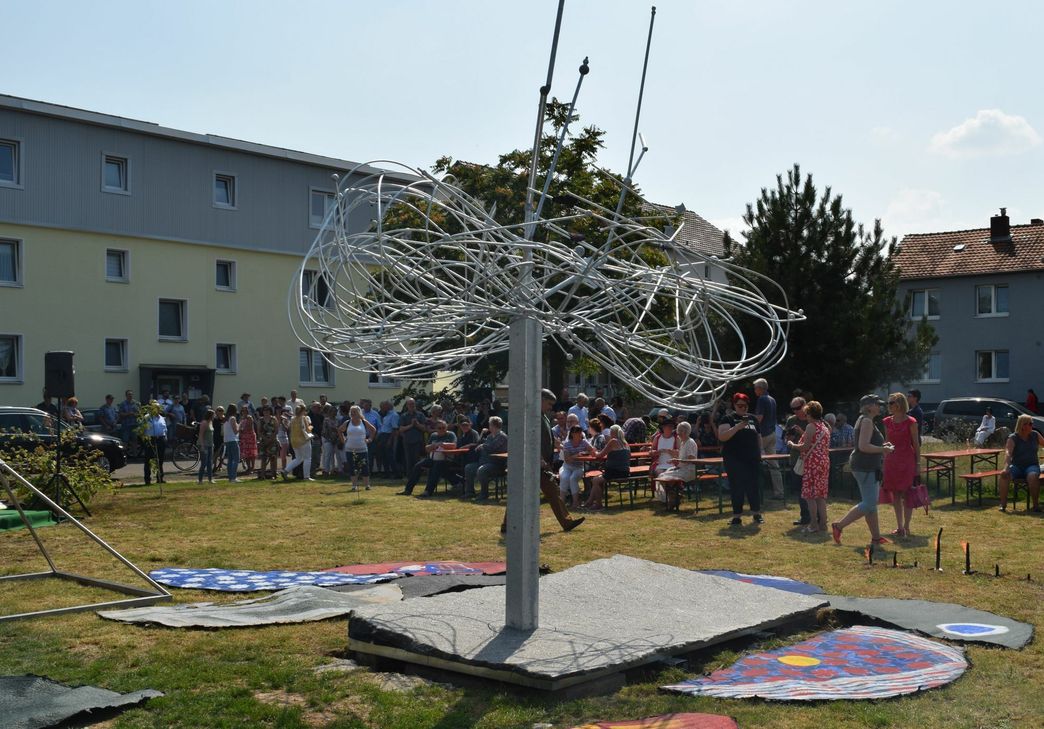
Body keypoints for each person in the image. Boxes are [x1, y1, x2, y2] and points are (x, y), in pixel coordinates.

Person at [500, 389, 584, 534]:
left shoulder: (542, 416)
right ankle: (507, 525)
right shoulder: (531, 416)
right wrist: (539, 458)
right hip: (531, 464)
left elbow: (547, 435)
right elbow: (529, 441)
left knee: (553, 492)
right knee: (520, 494)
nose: (551, 407)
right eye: (549, 403)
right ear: (541, 399)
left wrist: (558, 444)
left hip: (542, 464)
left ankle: (567, 522)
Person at [831, 395, 895, 545]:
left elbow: (866, 443)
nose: (880, 407)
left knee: (871, 504)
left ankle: (876, 537)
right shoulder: (866, 421)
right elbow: (863, 446)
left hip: (866, 466)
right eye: (877, 404)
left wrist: (883, 445)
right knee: (869, 503)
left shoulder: (866, 420)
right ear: (868, 407)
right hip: (865, 466)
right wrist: (883, 449)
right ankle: (838, 526)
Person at [719, 393, 763, 526]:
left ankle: (756, 514)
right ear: (734, 405)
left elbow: (758, 437)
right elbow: (722, 437)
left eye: (745, 406)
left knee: (753, 486)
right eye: (739, 405)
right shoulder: (727, 418)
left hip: (752, 458)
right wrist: (737, 427)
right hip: (734, 459)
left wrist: (760, 453)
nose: (742, 408)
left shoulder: (753, 419)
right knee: (737, 487)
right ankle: (737, 516)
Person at [881, 392, 920, 538]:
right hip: (892, 460)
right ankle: (899, 527)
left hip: (907, 460)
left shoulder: (911, 421)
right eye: (888, 403)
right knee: (895, 494)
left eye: (891, 403)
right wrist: (884, 451)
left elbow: (915, 444)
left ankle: (907, 526)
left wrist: (918, 463)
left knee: (907, 493)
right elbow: (887, 440)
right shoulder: (886, 421)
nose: (888, 406)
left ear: (898, 404)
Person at [998, 414, 1044, 512]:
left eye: (1032, 423)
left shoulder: (1035, 434)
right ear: (1023, 425)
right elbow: (1008, 453)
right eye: (1030, 424)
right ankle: (1003, 504)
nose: (1032, 426)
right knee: (1004, 476)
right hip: (1017, 466)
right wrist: (1006, 468)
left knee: (1033, 476)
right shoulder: (1013, 437)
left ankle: (1035, 505)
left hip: (1032, 465)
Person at [399, 419, 456, 497]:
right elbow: (427, 448)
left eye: (444, 428)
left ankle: (428, 491)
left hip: (446, 459)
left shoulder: (451, 435)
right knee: (418, 466)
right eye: (439, 428)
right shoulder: (434, 435)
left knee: (436, 467)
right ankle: (408, 490)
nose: (442, 430)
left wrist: (441, 444)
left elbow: (453, 445)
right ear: (436, 429)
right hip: (433, 458)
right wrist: (433, 446)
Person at [585, 423, 631, 510]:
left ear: (613, 433)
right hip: (625, 472)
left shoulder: (613, 441)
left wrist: (592, 451)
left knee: (595, 480)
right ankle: (589, 502)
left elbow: (600, 455)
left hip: (615, 471)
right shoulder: (626, 443)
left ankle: (598, 504)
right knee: (598, 479)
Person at [463, 416, 508, 500]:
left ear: (494, 425)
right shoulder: (490, 436)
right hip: (483, 462)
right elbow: (478, 443)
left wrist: (483, 446)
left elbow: (492, 447)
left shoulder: (502, 436)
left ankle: (484, 494)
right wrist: (482, 434)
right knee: (468, 468)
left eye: (490, 424)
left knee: (482, 470)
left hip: (497, 464)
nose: (489, 426)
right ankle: (470, 492)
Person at [753, 378, 783, 499]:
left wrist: (750, 420)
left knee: (753, 460)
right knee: (774, 465)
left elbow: (759, 418)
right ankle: (779, 492)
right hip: (772, 433)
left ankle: (754, 490)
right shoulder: (772, 399)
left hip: (763, 434)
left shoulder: (761, 399)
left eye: (755, 388)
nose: (754, 390)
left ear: (760, 388)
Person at [785, 396, 812, 527]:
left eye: (797, 408)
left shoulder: (812, 419)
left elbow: (817, 438)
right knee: (800, 490)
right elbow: (786, 439)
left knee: (812, 489)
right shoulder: (791, 420)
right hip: (796, 459)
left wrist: (802, 432)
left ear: (804, 406)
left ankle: (816, 516)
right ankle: (805, 517)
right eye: (793, 409)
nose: (795, 411)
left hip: (811, 460)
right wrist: (789, 438)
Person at [341, 405, 377, 491]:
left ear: (359, 413)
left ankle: (367, 485)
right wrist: (343, 440)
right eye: (351, 412)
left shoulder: (363, 422)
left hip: (362, 449)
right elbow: (340, 430)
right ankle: (354, 485)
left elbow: (373, 430)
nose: (353, 414)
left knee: (365, 466)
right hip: (350, 449)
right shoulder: (347, 422)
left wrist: (370, 439)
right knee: (352, 467)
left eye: (355, 412)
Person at [559, 425, 594, 509]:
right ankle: (561, 503)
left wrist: (587, 451)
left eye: (580, 432)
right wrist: (577, 455)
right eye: (577, 432)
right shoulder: (567, 444)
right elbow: (567, 460)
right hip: (567, 466)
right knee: (564, 477)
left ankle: (575, 503)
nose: (579, 434)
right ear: (572, 434)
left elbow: (592, 450)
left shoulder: (584, 442)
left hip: (579, 467)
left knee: (573, 478)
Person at [282, 404, 315, 481]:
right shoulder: (304, 418)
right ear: (303, 411)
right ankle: (306, 477)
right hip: (304, 440)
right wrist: (311, 426)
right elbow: (308, 430)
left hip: (294, 441)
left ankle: (285, 471)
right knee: (307, 458)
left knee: (298, 459)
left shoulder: (293, 419)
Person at [141, 401, 168, 486]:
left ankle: (160, 478)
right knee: (148, 460)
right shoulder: (147, 418)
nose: (157, 410)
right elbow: (142, 431)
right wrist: (145, 440)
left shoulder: (162, 418)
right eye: (155, 408)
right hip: (150, 440)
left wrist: (165, 438)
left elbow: (165, 429)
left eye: (158, 408)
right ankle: (147, 480)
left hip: (161, 440)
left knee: (160, 460)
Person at [398, 398, 427, 475]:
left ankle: (417, 475)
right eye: (410, 404)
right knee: (408, 459)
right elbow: (401, 429)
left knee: (416, 459)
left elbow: (424, 428)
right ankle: (409, 475)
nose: (411, 406)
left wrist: (417, 424)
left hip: (418, 440)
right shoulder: (404, 416)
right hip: (407, 441)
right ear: (407, 405)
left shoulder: (420, 415)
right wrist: (411, 425)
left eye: (413, 404)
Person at [377, 400, 400, 477]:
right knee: (384, 455)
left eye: (383, 406)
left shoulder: (394, 415)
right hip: (383, 435)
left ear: (388, 406)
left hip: (389, 436)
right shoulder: (387, 415)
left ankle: (396, 473)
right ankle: (387, 473)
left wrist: (390, 440)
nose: (382, 408)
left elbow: (395, 429)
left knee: (390, 456)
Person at [256, 405, 279, 480]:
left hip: (272, 441)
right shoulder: (260, 420)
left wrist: (271, 438)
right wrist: (265, 438)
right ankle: (262, 475)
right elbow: (259, 431)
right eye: (264, 411)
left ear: (270, 411)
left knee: (273, 458)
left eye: (267, 411)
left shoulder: (274, 419)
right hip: (263, 441)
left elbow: (276, 430)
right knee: (263, 459)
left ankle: (273, 474)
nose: (266, 412)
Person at [197, 409, 215, 484]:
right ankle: (200, 480)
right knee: (204, 463)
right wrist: (202, 446)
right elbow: (201, 435)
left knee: (209, 463)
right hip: (204, 444)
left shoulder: (211, 422)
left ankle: (210, 479)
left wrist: (213, 444)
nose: (214, 416)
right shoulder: (204, 423)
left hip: (210, 444)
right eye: (213, 415)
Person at [223, 404, 241, 482]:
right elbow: (235, 431)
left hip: (227, 440)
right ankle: (233, 477)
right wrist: (240, 426)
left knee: (230, 459)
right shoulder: (233, 418)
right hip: (233, 440)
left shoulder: (226, 419)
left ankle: (230, 477)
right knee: (236, 459)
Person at [239, 409, 257, 474]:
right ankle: (249, 467)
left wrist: (241, 430)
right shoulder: (242, 418)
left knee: (251, 453)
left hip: (250, 437)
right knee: (246, 453)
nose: (244, 412)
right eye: (243, 411)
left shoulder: (249, 417)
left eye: (245, 411)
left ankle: (252, 467)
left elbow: (249, 427)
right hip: (244, 437)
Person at [212, 406, 226, 472]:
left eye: (221, 410)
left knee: (222, 453)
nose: (220, 412)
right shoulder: (214, 419)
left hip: (223, 437)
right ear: (216, 411)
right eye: (219, 410)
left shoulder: (225, 419)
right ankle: (214, 466)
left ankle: (220, 466)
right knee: (216, 451)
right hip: (216, 437)